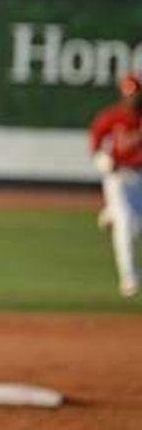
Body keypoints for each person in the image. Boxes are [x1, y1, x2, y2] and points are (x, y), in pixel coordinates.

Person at [89, 72, 142, 298]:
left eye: (135, 93)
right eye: (129, 93)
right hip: (117, 178)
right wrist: (102, 160)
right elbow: (95, 143)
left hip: (139, 178)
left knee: (135, 226)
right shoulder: (112, 116)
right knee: (125, 224)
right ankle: (129, 278)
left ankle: (110, 211)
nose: (132, 98)